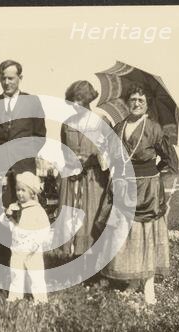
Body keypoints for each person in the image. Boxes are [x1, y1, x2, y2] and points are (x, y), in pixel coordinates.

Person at [102, 84, 178, 305]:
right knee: (127, 235)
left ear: (147, 105)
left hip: (147, 188)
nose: (136, 103)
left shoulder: (154, 128)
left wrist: (158, 181)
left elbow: (169, 160)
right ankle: (133, 281)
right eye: (133, 99)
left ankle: (149, 286)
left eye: (140, 100)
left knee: (147, 235)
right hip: (124, 186)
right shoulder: (118, 126)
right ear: (127, 102)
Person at [0, 60, 47, 268]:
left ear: (20, 78)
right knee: (2, 217)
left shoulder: (32, 101)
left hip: (23, 170)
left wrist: (22, 157)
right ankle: (4, 267)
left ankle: (28, 266)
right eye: (3, 78)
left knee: (25, 215)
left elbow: (40, 135)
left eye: (11, 78)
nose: (7, 82)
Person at [57, 81, 110, 262]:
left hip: (94, 178)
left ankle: (93, 264)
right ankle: (71, 260)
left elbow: (111, 152)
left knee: (92, 217)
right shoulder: (66, 124)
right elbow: (64, 149)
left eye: (80, 99)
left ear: (88, 99)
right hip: (72, 177)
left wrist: (94, 159)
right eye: (73, 100)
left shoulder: (101, 122)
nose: (76, 104)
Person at [0, 172, 50, 303]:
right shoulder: (16, 207)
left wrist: (37, 242)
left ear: (32, 193)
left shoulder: (37, 209)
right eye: (17, 190)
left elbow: (45, 228)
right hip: (17, 248)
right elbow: (9, 225)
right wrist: (8, 216)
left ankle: (40, 300)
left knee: (36, 275)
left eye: (23, 190)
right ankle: (15, 297)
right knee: (16, 273)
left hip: (33, 249)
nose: (19, 193)